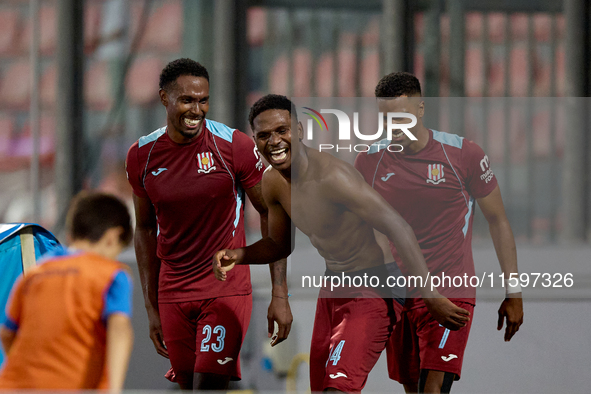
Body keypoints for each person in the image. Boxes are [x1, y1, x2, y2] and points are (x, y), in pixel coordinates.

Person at [213, 94, 471, 393]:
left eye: (281, 130)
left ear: (298, 130)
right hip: (333, 286)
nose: (274, 141)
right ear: (255, 140)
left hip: (374, 286)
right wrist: (240, 256)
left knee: (339, 389)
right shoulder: (272, 182)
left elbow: (398, 227)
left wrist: (431, 296)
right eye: (264, 135)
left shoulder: (334, 177)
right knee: (321, 389)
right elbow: (278, 245)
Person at [125, 59, 291, 390]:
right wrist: (151, 307)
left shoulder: (232, 146)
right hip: (172, 291)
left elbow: (272, 214)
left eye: (204, 100)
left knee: (208, 385)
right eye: (187, 100)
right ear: (164, 98)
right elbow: (144, 229)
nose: (197, 109)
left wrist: (279, 293)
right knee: (188, 386)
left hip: (224, 288)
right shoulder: (141, 155)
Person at [354, 72, 524, 394]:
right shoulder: (369, 162)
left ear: (420, 109)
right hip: (400, 292)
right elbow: (367, 228)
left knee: (433, 390)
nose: (394, 128)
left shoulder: (463, 155)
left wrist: (513, 291)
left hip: (451, 288)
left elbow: (499, 221)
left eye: (401, 118)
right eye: (386, 120)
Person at [0, 192, 134, 391]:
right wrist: (113, 389)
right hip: (71, 386)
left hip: (14, 386)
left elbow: (7, 333)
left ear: (71, 234)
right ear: (112, 237)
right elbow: (120, 328)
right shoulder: (112, 274)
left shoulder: (33, 275)